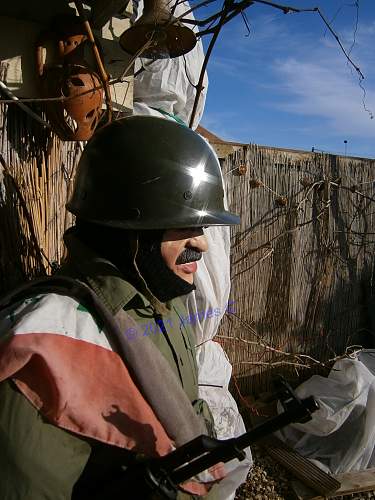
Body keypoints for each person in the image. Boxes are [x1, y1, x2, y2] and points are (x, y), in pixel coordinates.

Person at [0, 115, 241, 499]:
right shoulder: (44, 343)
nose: (204, 245)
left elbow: (188, 404)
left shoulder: (166, 303)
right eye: (185, 227)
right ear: (130, 226)